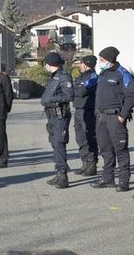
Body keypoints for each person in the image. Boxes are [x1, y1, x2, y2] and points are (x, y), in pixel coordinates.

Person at [92, 46, 134, 191]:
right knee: (105, 149)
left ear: (110, 60)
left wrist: (123, 116)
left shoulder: (123, 74)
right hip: (101, 116)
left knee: (120, 150)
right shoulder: (103, 73)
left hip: (115, 117)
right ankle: (107, 178)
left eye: (102, 59)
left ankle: (123, 181)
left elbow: (130, 96)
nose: (100, 62)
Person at [40, 51, 73, 189]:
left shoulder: (64, 76)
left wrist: (52, 99)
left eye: (46, 63)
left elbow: (70, 96)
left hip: (60, 115)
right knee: (54, 143)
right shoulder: (53, 76)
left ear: (50, 64)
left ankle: (63, 176)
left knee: (59, 143)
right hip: (52, 116)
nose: (45, 66)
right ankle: (59, 172)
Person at [71, 55, 98, 176]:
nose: (80, 65)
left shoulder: (93, 77)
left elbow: (82, 91)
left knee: (89, 138)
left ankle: (92, 164)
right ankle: (84, 163)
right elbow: (72, 91)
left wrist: (77, 89)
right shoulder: (80, 77)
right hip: (78, 110)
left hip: (88, 111)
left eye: (82, 63)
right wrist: (76, 88)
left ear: (87, 65)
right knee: (80, 138)